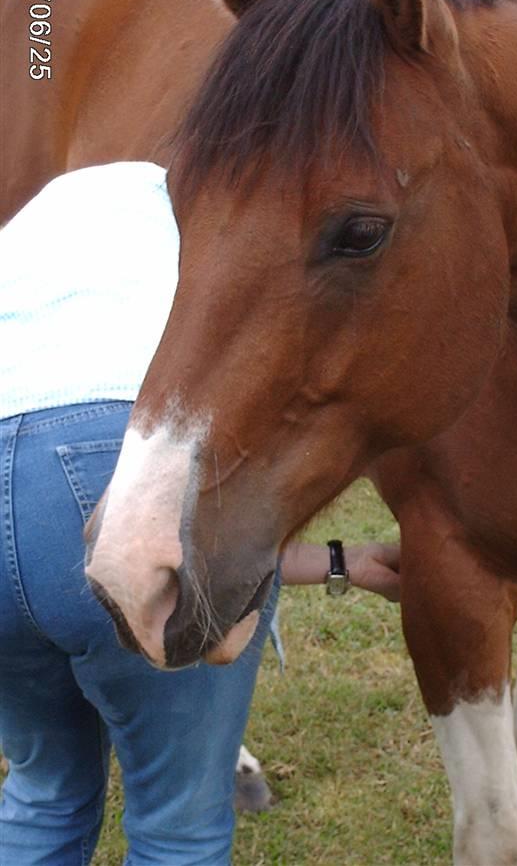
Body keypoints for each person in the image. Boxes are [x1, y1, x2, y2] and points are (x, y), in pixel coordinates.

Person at [0, 162, 400, 866]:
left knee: (44, 788)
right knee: (177, 823)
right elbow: (186, 523)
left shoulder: (49, 207)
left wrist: (344, 561)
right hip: (113, 450)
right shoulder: (222, 198)